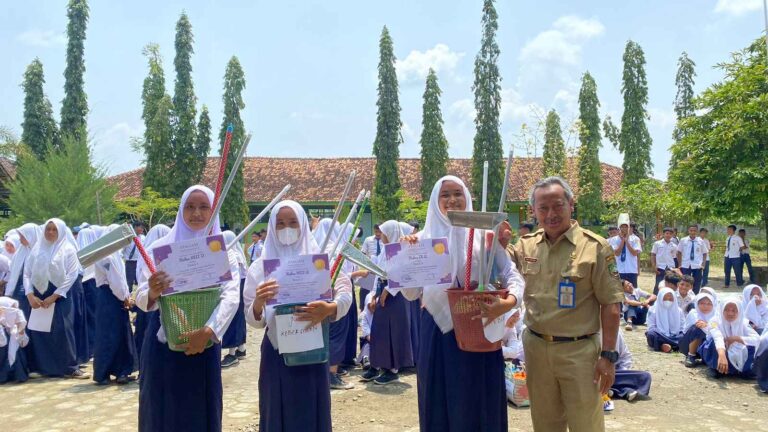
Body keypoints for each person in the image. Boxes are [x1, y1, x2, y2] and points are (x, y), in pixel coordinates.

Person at [401, 175, 521, 431]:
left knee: (478, 398)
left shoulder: (484, 236)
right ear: (435, 201)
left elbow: (511, 273)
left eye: (458, 193)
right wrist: (408, 258)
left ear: (467, 197)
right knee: (438, 398)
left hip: (478, 324)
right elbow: (411, 294)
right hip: (437, 330)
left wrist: (509, 301)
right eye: (445, 195)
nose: (452, 200)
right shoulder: (422, 240)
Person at [513, 176, 621, 432]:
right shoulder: (525, 246)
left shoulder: (595, 247)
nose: (551, 214)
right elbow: (494, 266)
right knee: (545, 423)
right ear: (533, 211)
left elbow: (611, 305)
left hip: (580, 352)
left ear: (571, 204)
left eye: (558, 205)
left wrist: (608, 355)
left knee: (586, 424)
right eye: (543, 208)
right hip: (537, 348)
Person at [135, 185, 240, 432]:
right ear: (181, 210)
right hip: (163, 344)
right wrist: (152, 291)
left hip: (204, 343)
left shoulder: (222, 251)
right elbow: (141, 294)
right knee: (160, 408)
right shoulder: (158, 249)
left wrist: (208, 330)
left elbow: (231, 295)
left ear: (213, 211)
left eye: (204, 207)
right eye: (190, 207)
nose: (196, 214)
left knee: (201, 410)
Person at [243, 200, 353, 432]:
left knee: (312, 411)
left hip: (313, 350)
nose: (287, 228)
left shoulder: (322, 259)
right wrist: (259, 302)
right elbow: (254, 319)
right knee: (276, 410)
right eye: (280, 224)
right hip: (276, 352)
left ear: (303, 224)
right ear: (272, 227)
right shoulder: (260, 267)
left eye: (293, 222)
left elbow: (345, 292)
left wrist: (329, 308)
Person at [24, 218, 89, 379]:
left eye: (54, 230)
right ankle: (41, 367)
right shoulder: (37, 249)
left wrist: (55, 296)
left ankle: (69, 367)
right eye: (48, 229)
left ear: (60, 231)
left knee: (63, 329)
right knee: (39, 330)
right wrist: (30, 294)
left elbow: (72, 274)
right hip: (39, 294)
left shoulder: (67, 249)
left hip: (60, 294)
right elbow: (27, 273)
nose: (51, 232)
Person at [360, 220, 413, 385]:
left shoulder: (402, 250)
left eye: (383, 232)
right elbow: (378, 273)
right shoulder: (384, 250)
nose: (380, 235)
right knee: (380, 331)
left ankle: (392, 369)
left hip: (395, 296)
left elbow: (403, 274)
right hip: (383, 292)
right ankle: (378, 364)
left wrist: (388, 291)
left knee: (393, 331)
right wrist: (375, 294)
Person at [92, 224, 138, 385]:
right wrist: (125, 297)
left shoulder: (107, 253)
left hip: (106, 297)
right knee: (116, 334)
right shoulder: (109, 255)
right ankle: (120, 371)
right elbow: (116, 281)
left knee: (107, 334)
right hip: (112, 297)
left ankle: (105, 372)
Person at [134, 224, 170, 369]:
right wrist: (152, 291)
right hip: (155, 306)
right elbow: (143, 286)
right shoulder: (149, 254)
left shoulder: (146, 253)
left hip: (151, 308)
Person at [699, 298, 759, 379]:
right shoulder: (714, 322)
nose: (730, 313)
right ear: (721, 309)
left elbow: (757, 338)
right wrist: (722, 355)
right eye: (726, 310)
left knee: (750, 344)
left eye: (734, 310)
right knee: (712, 342)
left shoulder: (743, 322)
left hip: (736, 350)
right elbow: (718, 337)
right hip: (718, 351)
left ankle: (744, 370)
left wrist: (736, 338)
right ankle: (715, 368)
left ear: (739, 311)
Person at [220, 230, 248, 368]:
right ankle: (241, 349)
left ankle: (231, 354)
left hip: (235, 289)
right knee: (239, 319)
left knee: (232, 320)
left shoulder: (232, 256)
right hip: (240, 287)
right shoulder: (238, 254)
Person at [608, 330, 651, 402]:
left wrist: (623, 374)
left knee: (645, 376)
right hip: (595, 374)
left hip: (615, 374)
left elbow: (625, 357)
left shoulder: (616, 331)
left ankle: (611, 389)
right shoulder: (592, 331)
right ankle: (622, 391)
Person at [76, 227, 99, 359]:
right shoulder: (97, 253)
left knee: (87, 318)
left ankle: (89, 348)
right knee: (94, 317)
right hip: (94, 285)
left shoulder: (77, 252)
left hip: (83, 285)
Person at [680, 293, 717, 368]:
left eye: (709, 304)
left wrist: (707, 325)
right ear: (697, 303)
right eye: (702, 303)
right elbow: (699, 324)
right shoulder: (694, 313)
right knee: (697, 329)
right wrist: (710, 326)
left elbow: (717, 327)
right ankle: (691, 355)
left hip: (704, 343)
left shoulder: (716, 315)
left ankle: (706, 356)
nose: (705, 306)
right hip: (687, 343)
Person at [645, 287, 684, 353]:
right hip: (660, 334)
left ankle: (663, 345)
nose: (668, 301)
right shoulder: (653, 309)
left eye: (670, 299)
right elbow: (651, 326)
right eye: (665, 298)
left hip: (675, 336)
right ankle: (674, 345)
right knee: (651, 334)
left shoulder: (679, 310)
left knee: (684, 336)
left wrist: (680, 334)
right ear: (660, 298)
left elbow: (682, 327)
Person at [0, 296, 29, 383]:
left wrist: (21, 331)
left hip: (14, 361)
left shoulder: (14, 327)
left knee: (18, 352)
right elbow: (2, 342)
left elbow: (23, 343)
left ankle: (18, 374)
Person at [608, 214, 641, 289]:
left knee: (633, 290)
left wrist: (627, 241)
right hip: (619, 269)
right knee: (619, 290)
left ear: (629, 228)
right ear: (619, 228)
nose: (624, 229)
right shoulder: (614, 239)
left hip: (631, 269)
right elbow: (616, 253)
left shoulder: (635, 239)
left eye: (626, 226)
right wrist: (623, 241)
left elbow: (634, 253)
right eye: (622, 227)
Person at [676, 224, 708, 294]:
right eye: (691, 230)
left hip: (697, 265)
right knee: (685, 281)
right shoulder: (683, 240)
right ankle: (685, 294)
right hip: (685, 264)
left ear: (697, 232)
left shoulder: (700, 241)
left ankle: (695, 296)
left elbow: (705, 253)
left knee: (697, 282)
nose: (692, 232)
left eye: (694, 231)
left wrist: (703, 264)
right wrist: (680, 264)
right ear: (688, 231)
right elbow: (678, 252)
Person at [651, 227, 677, 293]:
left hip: (670, 268)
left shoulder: (674, 246)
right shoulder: (657, 243)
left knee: (670, 285)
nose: (668, 235)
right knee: (658, 285)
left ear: (672, 235)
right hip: (660, 267)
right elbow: (653, 255)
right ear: (663, 234)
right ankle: (654, 301)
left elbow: (674, 257)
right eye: (667, 233)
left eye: (670, 234)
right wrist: (654, 266)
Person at [122, 221, 146, 292]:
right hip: (130, 263)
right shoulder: (128, 238)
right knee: (129, 281)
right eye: (141, 227)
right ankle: (129, 297)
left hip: (139, 262)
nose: (142, 229)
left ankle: (140, 296)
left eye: (143, 228)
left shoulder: (143, 238)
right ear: (135, 227)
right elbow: (122, 250)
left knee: (139, 280)